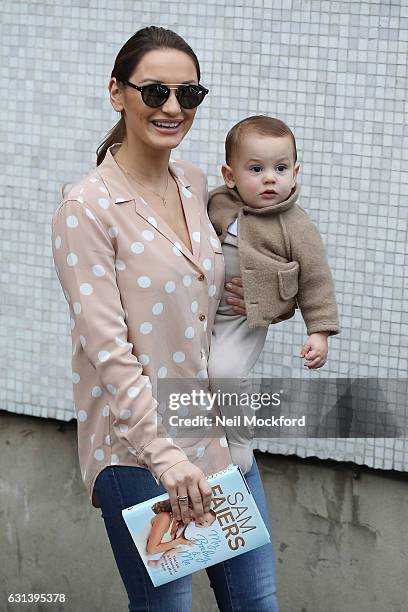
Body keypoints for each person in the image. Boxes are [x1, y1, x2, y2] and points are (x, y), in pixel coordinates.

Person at [51, 26, 279, 612]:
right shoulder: (86, 207)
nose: (173, 108)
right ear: (117, 93)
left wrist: (256, 296)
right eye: (154, 92)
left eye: (189, 94)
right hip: (138, 451)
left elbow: (214, 280)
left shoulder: (197, 182)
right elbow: (108, 349)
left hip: (217, 434)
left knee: (256, 604)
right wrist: (165, 456)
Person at [207, 116, 340, 474]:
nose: (270, 178)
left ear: (295, 172)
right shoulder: (216, 204)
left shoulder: (295, 225)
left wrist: (319, 331)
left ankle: (238, 439)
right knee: (192, 375)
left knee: (226, 371)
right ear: (230, 175)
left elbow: (316, 279)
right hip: (201, 311)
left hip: (242, 318)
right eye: (256, 168)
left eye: (281, 168)